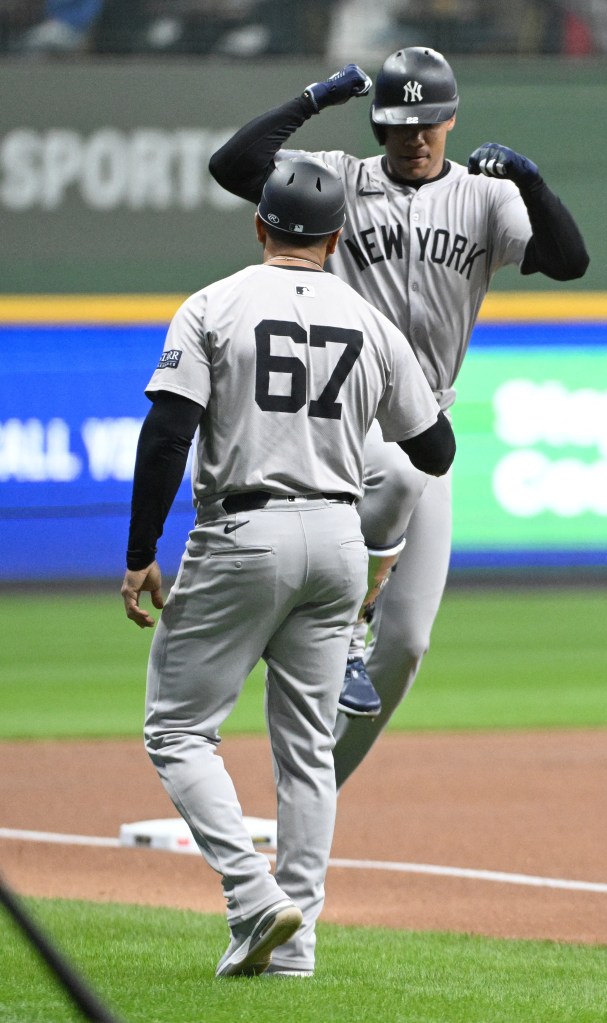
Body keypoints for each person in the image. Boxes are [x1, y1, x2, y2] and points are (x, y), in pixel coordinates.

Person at [208, 47, 589, 782]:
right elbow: (234, 165)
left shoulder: (486, 196)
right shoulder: (341, 180)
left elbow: (569, 260)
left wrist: (534, 185)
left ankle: (317, 787)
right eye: (400, 124)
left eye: (428, 122)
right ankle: (323, 633)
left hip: (425, 430)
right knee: (312, 602)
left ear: (451, 119)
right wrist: (314, 96)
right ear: (379, 122)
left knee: (408, 642)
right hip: (336, 427)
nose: (415, 138)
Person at [120, 154, 454, 978]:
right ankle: (295, 948)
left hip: (243, 529)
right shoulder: (372, 322)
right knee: (307, 750)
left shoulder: (215, 303)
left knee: (177, 730)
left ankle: (252, 894)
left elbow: (167, 436)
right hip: (340, 540)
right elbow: (435, 450)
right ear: (336, 238)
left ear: (260, 225)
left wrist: (138, 557)